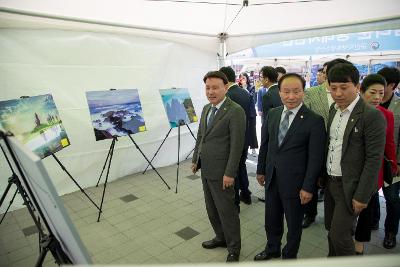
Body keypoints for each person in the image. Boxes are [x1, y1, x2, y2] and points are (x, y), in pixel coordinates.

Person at [254, 73, 326, 260]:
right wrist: (261, 169)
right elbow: (266, 145)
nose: (291, 96)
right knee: (271, 220)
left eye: (296, 91)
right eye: (286, 91)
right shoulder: (273, 113)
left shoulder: (314, 120)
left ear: (304, 92)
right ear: (279, 92)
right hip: (272, 178)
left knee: (294, 225)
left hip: (296, 183)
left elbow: (315, 158)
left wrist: (308, 186)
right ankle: (272, 249)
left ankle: (289, 255)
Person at [323, 63, 386, 256]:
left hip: (350, 187)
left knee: (339, 235)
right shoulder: (334, 109)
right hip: (330, 181)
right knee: (332, 231)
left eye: (344, 87)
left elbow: (374, 159)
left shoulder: (371, 116)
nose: (338, 93)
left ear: (357, 87)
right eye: (333, 88)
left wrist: (362, 195)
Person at [192, 71, 246, 262]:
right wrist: (195, 159)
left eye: (215, 87)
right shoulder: (207, 108)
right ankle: (220, 237)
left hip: (224, 172)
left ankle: (234, 248)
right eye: (208, 88)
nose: (211, 91)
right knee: (212, 208)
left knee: (227, 211)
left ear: (225, 87)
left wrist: (230, 173)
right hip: (207, 168)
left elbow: (237, 145)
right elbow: (201, 136)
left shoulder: (235, 111)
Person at [302, 59, 351, 229]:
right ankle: (310, 213)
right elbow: (305, 119)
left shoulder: (350, 95)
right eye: (328, 71)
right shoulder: (312, 92)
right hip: (316, 147)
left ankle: (342, 218)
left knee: (337, 187)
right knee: (312, 179)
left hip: (341, 150)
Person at [354, 73, 398, 254]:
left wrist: (394, 163)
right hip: (350, 168)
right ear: (361, 91)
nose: (377, 97)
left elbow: (389, 142)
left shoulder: (386, 115)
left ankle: (360, 241)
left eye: (381, 93)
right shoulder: (351, 111)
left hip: (374, 169)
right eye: (373, 93)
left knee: (367, 206)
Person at [220, 66, 254, 209]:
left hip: (232, 140)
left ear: (225, 78)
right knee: (241, 165)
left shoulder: (227, 96)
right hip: (245, 138)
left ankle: (235, 204)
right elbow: (252, 117)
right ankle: (246, 194)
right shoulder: (245, 92)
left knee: (232, 168)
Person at [377, 66, 400, 249]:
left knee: (392, 198)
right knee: (370, 194)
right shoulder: (370, 102)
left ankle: (391, 232)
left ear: (392, 85)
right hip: (371, 160)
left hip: (393, 162)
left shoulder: (398, 106)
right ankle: (373, 221)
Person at [239, 72, 258, 156]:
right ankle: (244, 150)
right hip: (242, 112)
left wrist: (244, 89)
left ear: (247, 79)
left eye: (244, 78)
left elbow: (252, 98)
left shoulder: (252, 87)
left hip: (251, 112)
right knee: (243, 131)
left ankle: (253, 149)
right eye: (241, 78)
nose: (242, 79)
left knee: (252, 130)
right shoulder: (238, 88)